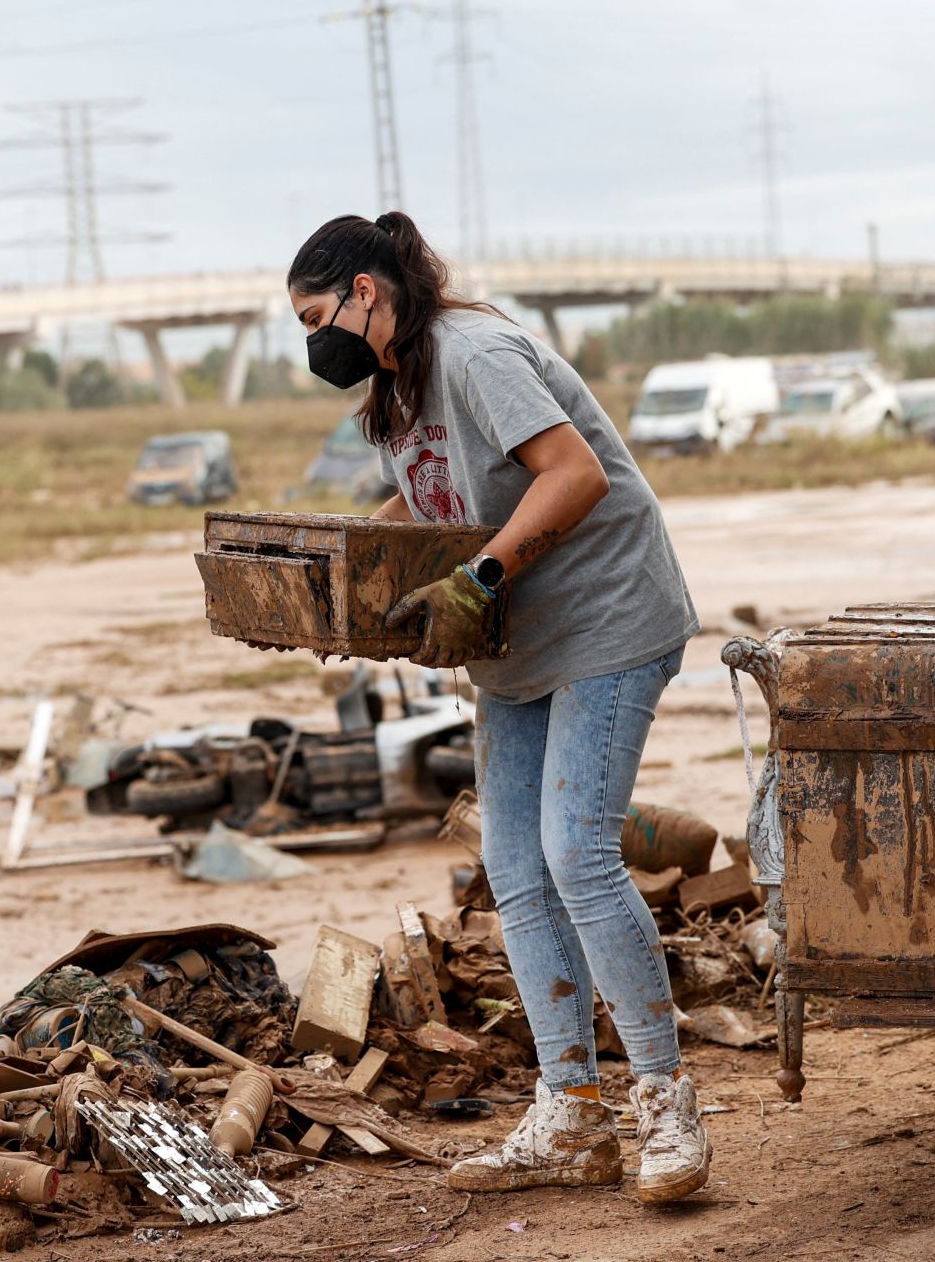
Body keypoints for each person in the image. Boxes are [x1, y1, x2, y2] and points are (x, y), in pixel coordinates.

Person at [287, 211, 709, 1203]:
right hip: (519, 638)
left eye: (317, 315)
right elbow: (429, 505)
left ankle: (666, 1101)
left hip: (608, 615)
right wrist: (348, 564)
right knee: (516, 869)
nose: (315, 342)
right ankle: (570, 1111)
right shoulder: (398, 389)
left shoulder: (473, 353)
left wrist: (477, 575)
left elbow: (577, 473)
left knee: (577, 852)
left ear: (365, 292)